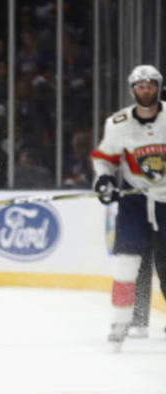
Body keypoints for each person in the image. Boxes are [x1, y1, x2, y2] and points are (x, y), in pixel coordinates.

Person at [91, 64, 166, 350]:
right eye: (140, 86)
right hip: (134, 200)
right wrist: (105, 180)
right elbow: (104, 157)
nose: (145, 90)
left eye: (150, 86)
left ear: (157, 88)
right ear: (132, 89)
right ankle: (120, 322)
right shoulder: (118, 122)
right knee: (126, 261)